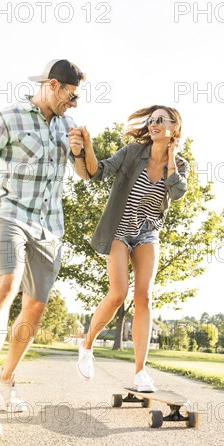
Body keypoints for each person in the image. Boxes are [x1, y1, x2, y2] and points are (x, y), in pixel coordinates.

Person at [0, 59, 90, 437]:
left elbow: (87, 174)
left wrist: (82, 151)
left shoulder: (70, 127)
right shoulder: (7, 118)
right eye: (71, 96)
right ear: (52, 85)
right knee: (4, 285)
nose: (74, 105)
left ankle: (5, 379)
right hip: (9, 215)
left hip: (50, 228)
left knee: (36, 306)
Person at [77, 105, 189, 392]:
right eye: (151, 120)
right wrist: (87, 148)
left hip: (147, 233)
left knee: (145, 297)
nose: (153, 124)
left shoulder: (180, 165)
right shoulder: (131, 153)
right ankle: (87, 343)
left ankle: (140, 372)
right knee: (118, 294)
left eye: (160, 120)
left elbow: (177, 193)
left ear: (174, 127)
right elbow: (98, 172)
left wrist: (172, 159)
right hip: (118, 229)